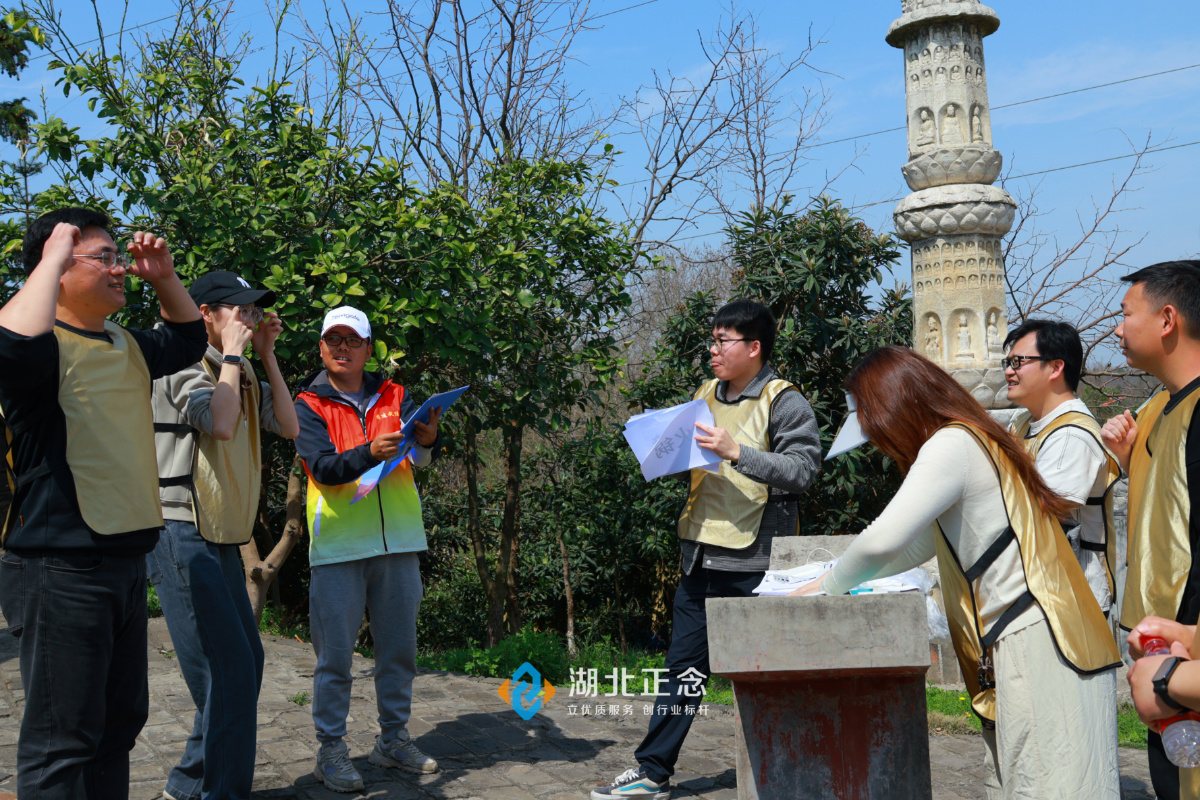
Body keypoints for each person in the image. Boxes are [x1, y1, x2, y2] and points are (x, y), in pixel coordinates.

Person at [792, 346, 1121, 799]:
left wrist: (828, 587)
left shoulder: (951, 444)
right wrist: (830, 577)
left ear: (895, 406)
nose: (877, 439)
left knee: (1046, 782)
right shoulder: (972, 436)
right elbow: (927, 541)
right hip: (1034, 634)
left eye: (873, 424)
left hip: (1039, 638)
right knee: (1029, 779)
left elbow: (881, 539)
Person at [0, 208, 207, 799]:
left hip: (122, 561)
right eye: (104, 258)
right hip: (58, 565)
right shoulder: (41, 349)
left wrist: (163, 275)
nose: (120, 269)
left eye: (121, 257)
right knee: (61, 743)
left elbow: (190, 339)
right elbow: (10, 348)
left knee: (116, 729)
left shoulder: (127, 343)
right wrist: (55, 249)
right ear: (57, 269)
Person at [592, 299, 821, 800]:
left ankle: (788, 770)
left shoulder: (784, 401)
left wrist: (737, 451)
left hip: (757, 563)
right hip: (700, 554)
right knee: (683, 671)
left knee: (765, 673)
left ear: (754, 347)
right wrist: (662, 451)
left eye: (723, 341)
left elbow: (803, 471)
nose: (713, 350)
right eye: (712, 340)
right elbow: (692, 462)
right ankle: (652, 771)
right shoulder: (703, 394)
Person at [149, 270, 300, 800]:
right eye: (239, 310)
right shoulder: (179, 360)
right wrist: (234, 358)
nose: (249, 318)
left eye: (253, 311)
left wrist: (266, 356)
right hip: (180, 528)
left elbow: (289, 426)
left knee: (243, 665)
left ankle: (188, 785)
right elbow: (219, 423)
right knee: (227, 673)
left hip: (218, 532)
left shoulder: (238, 368)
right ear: (205, 313)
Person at [293, 306, 442, 793]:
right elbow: (322, 468)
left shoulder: (396, 394)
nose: (343, 348)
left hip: (398, 540)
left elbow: (418, 457)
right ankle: (331, 749)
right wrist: (367, 454)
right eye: (333, 339)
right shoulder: (307, 403)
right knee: (334, 658)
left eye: (352, 340)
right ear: (321, 348)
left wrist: (428, 440)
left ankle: (393, 740)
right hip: (337, 544)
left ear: (368, 347)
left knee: (399, 651)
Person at [1101, 260, 1200, 798]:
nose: (1117, 328)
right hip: (1156, 653)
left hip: (1186, 658)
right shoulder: (1158, 406)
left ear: (1167, 319)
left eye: (1125, 313)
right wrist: (1124, 458)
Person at [1002, 319, 1120, 615]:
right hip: (1038, 591)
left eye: (1018, 362)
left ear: (1055, 368)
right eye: (1007, 362)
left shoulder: (1072, 434)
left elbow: (1042, 510)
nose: (1008, 371)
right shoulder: (1023, 422)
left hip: (1073, 598)